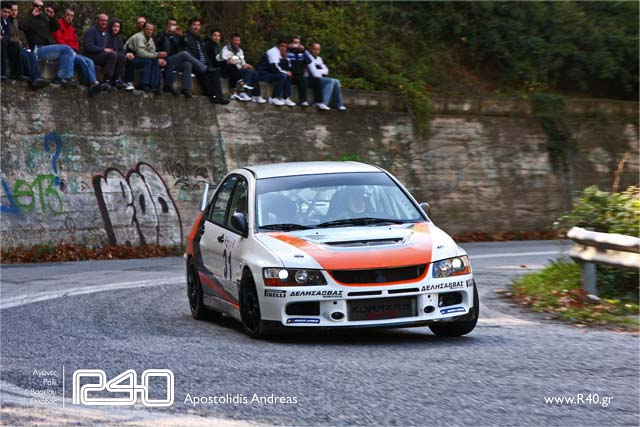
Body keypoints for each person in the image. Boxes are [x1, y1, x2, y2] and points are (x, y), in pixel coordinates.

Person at [20, 0, 76, 86]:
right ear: (32, 6)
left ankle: (68, 77)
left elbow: (56, 27)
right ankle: (62, 77)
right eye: (36, 6)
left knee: (71, 53)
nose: (39, 8)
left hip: (47, 48)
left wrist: (52, 17)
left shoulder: (44, 19)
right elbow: (21, 26)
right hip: (37, 49)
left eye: (41, 7)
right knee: (66, 49)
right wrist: (31, 15)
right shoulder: (29, 19)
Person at [51, 7, 104, 95]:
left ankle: (93, 83)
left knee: (90, 61)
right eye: (68, 15)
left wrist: (73, 49)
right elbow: (59, 40)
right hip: (63, 53)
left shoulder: (71, 28)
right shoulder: (58, 24)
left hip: (72, 52)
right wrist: (70, 48)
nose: (69, 17)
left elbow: (75, 43)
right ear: (64, 15)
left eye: (72, 16)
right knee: (81, 60)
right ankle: (92, 83)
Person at [179, 17, 229, 103]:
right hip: (194, 64)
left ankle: (219, 97)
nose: (196, 27)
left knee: (215, 72)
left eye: (198, 25)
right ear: (189, 26)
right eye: (194, 25)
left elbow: (205, 54)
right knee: (203, 74)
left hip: (204, 65)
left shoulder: (199, 39)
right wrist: (182, 37)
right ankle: (213, 96)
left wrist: (209, 65)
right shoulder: (186, 37)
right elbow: (185, 51)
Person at [2, 1, 47, 87]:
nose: (14, 12)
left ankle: (37, 78)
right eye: (12, 10)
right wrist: (31, 15)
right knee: (24, 56)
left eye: (16, 10)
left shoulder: (16, 21)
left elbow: (22, 29)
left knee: (31, 55)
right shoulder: (6, 21)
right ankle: (32, 79)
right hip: (11, 47)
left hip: (18, 46)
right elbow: (9, 36)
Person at [83, 13, 128, 90]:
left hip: (101, 55)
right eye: (102, 20)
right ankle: (107, 80)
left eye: (106, 21)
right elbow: (88, 47)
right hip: (91, 55)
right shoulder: (91, 31)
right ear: (97, 21)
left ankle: (117, 80)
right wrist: (103, 49)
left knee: (122, 57)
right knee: (111, 55)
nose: (104, 22)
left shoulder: (105, 33)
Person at [220, 33, 264, 103]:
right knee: (248, 72)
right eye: (235, 40)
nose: (236, 42)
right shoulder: (226, 49)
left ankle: (256, 95)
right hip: (229, 70)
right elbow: (225, 60)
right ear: (231, 40)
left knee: (253, 72)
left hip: (239, 69)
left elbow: (243, 62)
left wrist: (247, 65)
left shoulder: (240, 51)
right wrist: (230, 60)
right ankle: (243, 92)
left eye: (238, 40)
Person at [124, 21, 164, 93]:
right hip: (130, 58)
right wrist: (156, 55)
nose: (149, 31)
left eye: (151, 30)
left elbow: (153, 51)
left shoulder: (150, 39)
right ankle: (144, 84)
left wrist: (159, 55)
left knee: (155, 61)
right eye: (148, 29)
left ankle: (154, 85)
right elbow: (140, 53)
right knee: (148, 61)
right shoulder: (139, 37)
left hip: (139, 58)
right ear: (143, 29)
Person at [306, 42, 346, 111]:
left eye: (318, 49)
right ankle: (323, 103)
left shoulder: (319, 59)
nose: (316, 51)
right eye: (314, 49)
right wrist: (321, 70)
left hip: (319, 78)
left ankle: (339, 104)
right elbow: (314, 73)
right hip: (310, 79)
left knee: (336, 81)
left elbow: (326, 71)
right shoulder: (308, 57)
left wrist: (318, 70)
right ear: (311, 49)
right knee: (330, 81)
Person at [256, 38, 296, 106]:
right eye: (282, 46)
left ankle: (285, 98)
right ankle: (274, 98)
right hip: (263, 74)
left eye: (285, 46)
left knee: (288, 75)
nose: (283, 48)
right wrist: (285, 72)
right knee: (283, 76)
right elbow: (274, 67)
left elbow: (287, 68)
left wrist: (285, 58)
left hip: (271, 73)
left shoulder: (282, 53)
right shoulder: (273, 52)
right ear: (278, 45)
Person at [104, 18, 134, 90]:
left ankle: (121, 80)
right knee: (121, 57)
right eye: (114, 26)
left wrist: (127, 54)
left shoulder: (118, 37)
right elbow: (108, 49)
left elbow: (121, 50)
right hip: (107, 55)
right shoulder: (106, 36)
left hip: (117, 55)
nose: (116, 28)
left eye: (118, 27)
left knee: (128, 58)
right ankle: (110, 79)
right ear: (111, 26)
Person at [287, 36, 310, 106]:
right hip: (289, 74)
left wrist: (304, 51)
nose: (296, 44)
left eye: (298, 43)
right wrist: (288, 48)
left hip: (299, 75)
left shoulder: (303, 52)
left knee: (303, 79)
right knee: (287, 78)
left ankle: (303, 100)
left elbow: (309, 61)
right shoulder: (287, 51)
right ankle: (286, 98)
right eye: (294, 42)